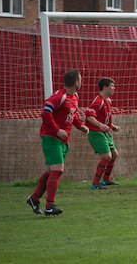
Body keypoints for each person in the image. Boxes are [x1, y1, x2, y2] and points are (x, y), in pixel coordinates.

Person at [26, 69, 89, 216]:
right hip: (51, 138)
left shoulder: (75, 97)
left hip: (63, 140)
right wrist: (57, 130)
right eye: (80, 79)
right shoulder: (59, 96)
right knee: (58, 169)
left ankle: (34, 199)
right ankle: (50, 206)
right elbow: (45, 113)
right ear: (76, 82)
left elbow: (72, 116)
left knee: (50, 172)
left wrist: (81, 126)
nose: (81, 82)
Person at [86, 77, 121, 190]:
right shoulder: (98, 101)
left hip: (104, 132)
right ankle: (95, 183)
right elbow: (89, 117)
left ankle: (106, 179)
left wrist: (112, 126)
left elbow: (105, 118)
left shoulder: (108, 100)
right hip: (96, 133)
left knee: (114, 154)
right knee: (107, 156)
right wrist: (101, 126)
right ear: (105, 87)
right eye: (112, 86)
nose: (114, 88)